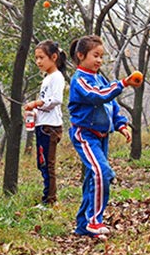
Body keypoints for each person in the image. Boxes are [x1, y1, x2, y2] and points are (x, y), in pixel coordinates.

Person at [67, 35, 142, 238]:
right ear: (81, 56)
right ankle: (94, 221)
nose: (99, 60)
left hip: (102, 136)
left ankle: (83, 224)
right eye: (95, 56)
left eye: (101, 56)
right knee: (103, 173)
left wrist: (121, 124)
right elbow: (97, 96)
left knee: (94, 176)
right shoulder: (79, 80)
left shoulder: (100, 78)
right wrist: (123, 83)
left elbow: (111, 105)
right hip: (85, 134)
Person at [24, 40, 66, 207]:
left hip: (51, 128)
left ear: (54, 57)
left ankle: (49, 200)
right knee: (42, 163)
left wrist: (36, 104)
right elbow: (46, 104)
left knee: (48, 165)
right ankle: (48, 196)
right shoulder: (47, 78)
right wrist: (33, 112)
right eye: (36, 58)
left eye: (41, 57)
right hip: (43, 125)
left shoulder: (57, 77)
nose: (38, 61)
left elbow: (55, 100)